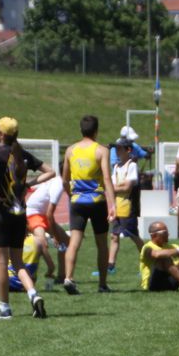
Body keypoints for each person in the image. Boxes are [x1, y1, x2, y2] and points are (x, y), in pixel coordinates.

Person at [0, 116, 55, 319]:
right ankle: (33, 295)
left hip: (2, 212)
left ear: (1, 134)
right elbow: (51, 172)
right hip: (20, 213)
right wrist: (28, 184)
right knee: (18, 262)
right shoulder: (22, 154)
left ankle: (4, 308)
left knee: (2, 263)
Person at [62, 114, 117, 294]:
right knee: (101, 243)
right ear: (96, 130)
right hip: (97, 201)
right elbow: (107, 178)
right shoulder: (102, 150)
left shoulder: (70, 150)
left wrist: (72, 195)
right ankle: (102, 284)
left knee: (74, 242)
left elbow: (65, 179)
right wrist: (113, 205)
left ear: (81, 130)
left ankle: (68, 277)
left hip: (77, 201)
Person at [102, 137, 143, 276]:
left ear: (128, 150)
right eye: (116, 148)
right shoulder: (116, 167)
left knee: (134, 236)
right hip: (117, 207)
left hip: (128, 207)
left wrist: (113, 188)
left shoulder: (132, 165)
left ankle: (148, 261)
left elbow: (127, 187)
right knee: (114, 236)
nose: (117, 151)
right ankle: (110, 265)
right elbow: (113, 187)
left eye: (120, 148)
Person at [24, 173, 70, 285]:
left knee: (66, 241)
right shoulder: (59, 184)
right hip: (33, 213)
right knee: (42, 243)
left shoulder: (60, 181)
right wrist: (55, 236)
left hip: (41, 214)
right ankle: (36, 273)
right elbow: (50, 214)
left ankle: (61, 276)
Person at [139, 220, 179, 293]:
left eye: (167, 232)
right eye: (165, 232)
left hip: (172, 282)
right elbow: (157, 254)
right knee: (164, 257)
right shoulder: (147, 248)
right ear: (154, 235)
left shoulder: (172, 246)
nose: (168, 234)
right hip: (154, 284)